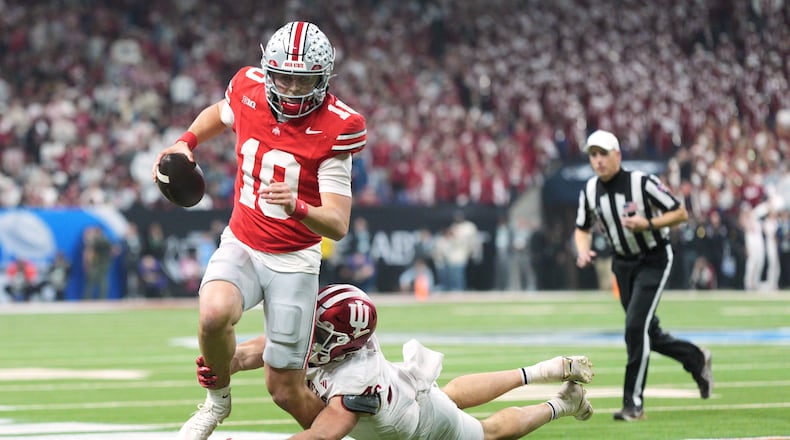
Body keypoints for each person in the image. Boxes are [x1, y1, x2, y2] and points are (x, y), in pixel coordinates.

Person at [152, 21, 366, 440]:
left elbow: (338, 224)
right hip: (243, 240)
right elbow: (219, 112)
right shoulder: (248, 88)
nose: (287, 89)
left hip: (294, 259)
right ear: (267, 70)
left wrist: (298, 205)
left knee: (284, 389)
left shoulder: (339, 126)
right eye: (281, 77)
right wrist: (186, 142)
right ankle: (218, 404)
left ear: (322, 80)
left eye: (299, 80)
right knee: (213, 315)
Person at [195, 284, 595, 439]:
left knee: (486, 433)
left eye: (317, 330)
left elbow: (321, 436)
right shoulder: (339, 338)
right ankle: (547, 369)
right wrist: (225, 362)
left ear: (340, 343)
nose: (306, 333)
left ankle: (563, 403)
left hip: (417, 424)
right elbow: (254, 351)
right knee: (448, 393)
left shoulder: (356, 383)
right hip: (404, 389)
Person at [573, 129, 713, 421]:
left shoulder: (641, 183)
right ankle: (695, 358)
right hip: (622, 264)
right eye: (593, 155)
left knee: (635, 327)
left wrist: (647, 222)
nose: (597, 161)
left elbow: (680, 213)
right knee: (648, 332)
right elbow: (582, 227)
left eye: (602, 154)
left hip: (653, 258)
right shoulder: (589, 190)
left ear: (617, 155)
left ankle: (632, 404)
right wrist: (583, 250)